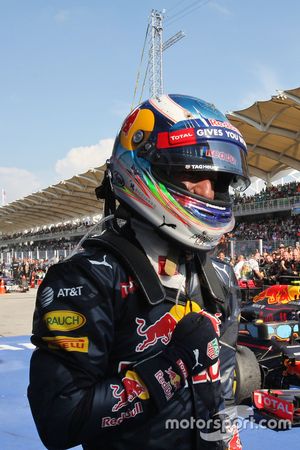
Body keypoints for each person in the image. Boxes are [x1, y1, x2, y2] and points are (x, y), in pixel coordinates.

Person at [28, 94, 251, 449]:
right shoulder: (86, 279)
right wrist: (173, 365)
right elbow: (60, 420)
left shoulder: (219, 277)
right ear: (141, 167)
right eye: (191, 172)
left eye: (219, 179)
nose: (209, 190)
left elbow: (220, 400)